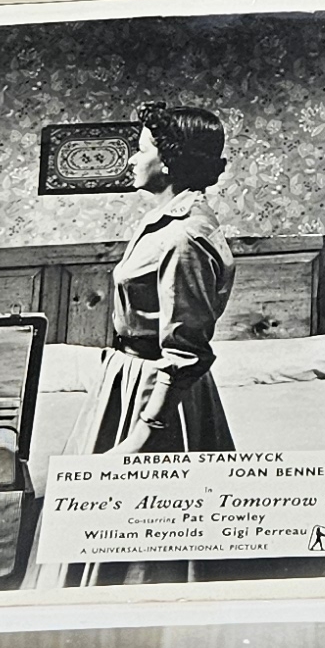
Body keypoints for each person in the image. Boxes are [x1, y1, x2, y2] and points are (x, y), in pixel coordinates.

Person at [82, 104, 237, 455]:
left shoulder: (184, 237)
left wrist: (143, 434)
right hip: (131, 375)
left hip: (159, 391)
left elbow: (185, 351)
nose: (131, 160)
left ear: (168, 160)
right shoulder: (164, 220)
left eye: (141, 150)